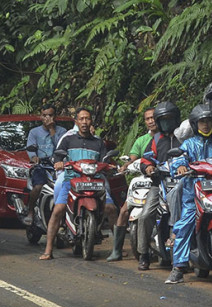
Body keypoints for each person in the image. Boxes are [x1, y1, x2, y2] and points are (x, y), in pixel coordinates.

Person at [165, 104, 212, 284]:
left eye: (209, 121)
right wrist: (180, 166)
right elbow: (179, 158)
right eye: (202, 122)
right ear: (195, 125)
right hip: (194, 193)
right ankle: (178, 267)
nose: (206, 125)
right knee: (186, 222)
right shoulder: (188, 144)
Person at [39, 108, 107, 260]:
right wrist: (58, 163)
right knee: (58, 210)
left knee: (110, 207)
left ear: (91, 121)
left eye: (87, 119)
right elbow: (58, 155)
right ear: (76, 121)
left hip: (93, 181)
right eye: (81, 119)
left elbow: (104, 160)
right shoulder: (68, 139)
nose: (84, 122)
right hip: (71, 180)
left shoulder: (98, 142)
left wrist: (109, 166)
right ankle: (48, 250)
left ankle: (117, 248)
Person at [133, 102, 183, 270]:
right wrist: (147, 167)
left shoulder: (183, 138)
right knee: (145, 215)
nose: (166, 123)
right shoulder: (155, 140)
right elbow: (146, 159)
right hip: (159, 184)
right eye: (163, 120)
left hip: (182, 184)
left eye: (169, 119)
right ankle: (144, 254)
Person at [106, 107, 158, 261]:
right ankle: (117, 250)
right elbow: (132, 159)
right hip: (142, 180)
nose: (150, 121)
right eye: (147, 118)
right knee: (123, 210)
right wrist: (124, 167)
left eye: (153, 117)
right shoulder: (141, 140)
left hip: (160, 179)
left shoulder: (166, 138)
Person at [24, 106, 68, 225]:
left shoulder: (62, 131)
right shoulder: (34, 132)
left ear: (55, 116)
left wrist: (52, 129)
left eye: (50, 115)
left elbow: (61, 146)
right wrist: (34, 158)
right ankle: (31, 211)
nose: (47, 118)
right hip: (42, 165)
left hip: (57, 165)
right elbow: (31, 150)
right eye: (44, 115)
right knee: (38, 186)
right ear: (40, 116)